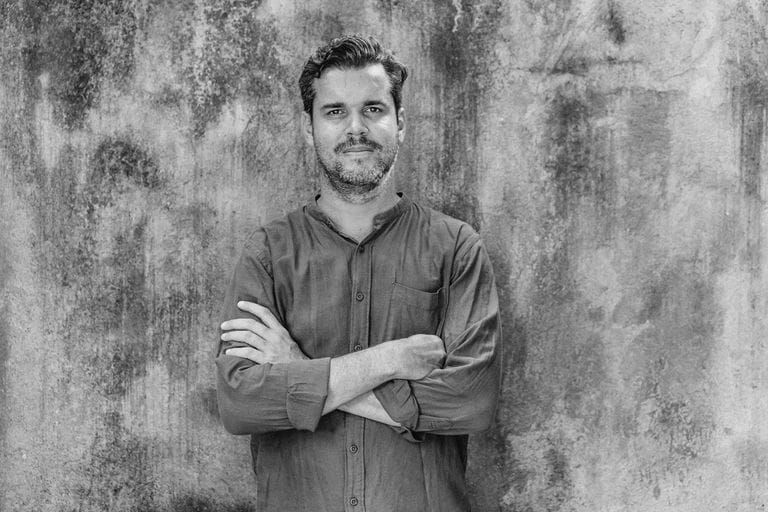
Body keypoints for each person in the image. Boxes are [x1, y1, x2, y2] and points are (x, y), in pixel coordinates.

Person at [215, 34, 501, 512]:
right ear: (309, 128)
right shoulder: (267, 253)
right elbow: (240, 403)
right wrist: (390, 359)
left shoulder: (455, 248)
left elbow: (469, 403)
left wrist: (296, 368)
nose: (356, 128)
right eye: (334, 111)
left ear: (400, 122)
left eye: (373, 109)